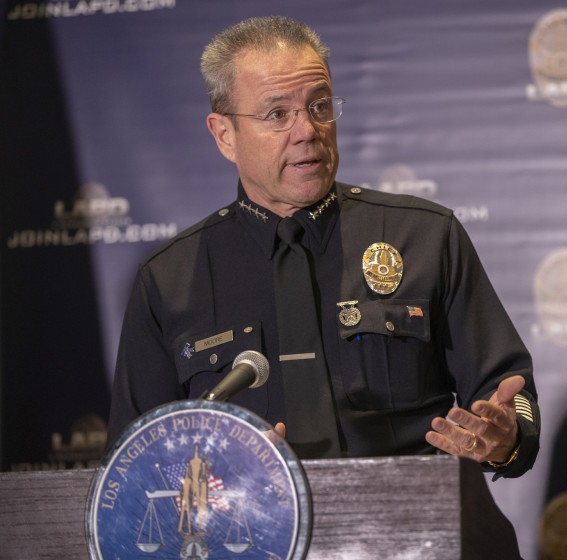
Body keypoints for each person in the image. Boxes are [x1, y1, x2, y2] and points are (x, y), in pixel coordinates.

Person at [107, 15, 539, 485]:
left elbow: (506, 392)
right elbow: (132, 465)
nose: (307, 131)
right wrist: (211, 477)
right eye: (277, 114)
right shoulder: (167, 281)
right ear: (224, 135)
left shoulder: (425, 236)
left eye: (319, 106)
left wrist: (505, 438)